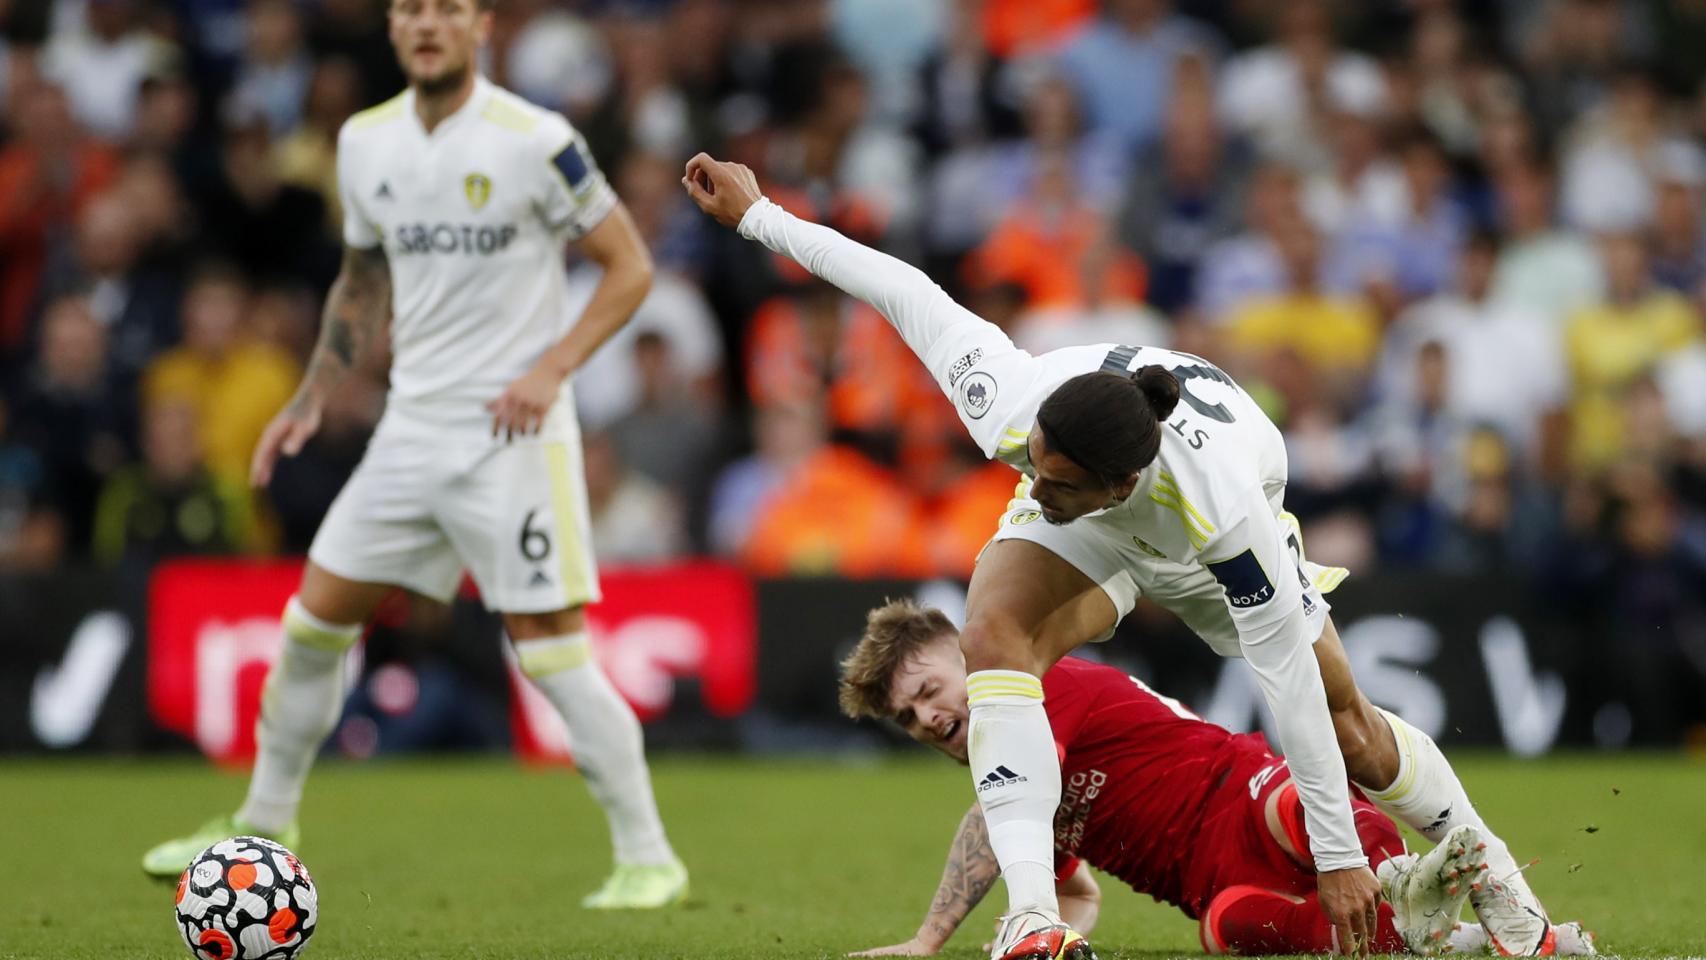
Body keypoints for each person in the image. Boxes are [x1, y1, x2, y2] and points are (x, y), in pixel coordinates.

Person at [683, 153, 1558, 957]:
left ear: (1117, 479)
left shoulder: (1223, 513)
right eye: (1034, 464)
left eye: (1055, 481)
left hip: (1201, 542)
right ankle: (1033, 925)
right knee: (993, 632)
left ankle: (1510, 898)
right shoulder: (1017, 408)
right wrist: (763, 215)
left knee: (1348, 728)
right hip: (1109, 528)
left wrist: (1337, 854)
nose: (1033, 487)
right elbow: (902, 290)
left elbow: (1284, 681)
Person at [141, 0, 688, 910]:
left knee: (552, 652)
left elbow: (630, 264)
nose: (427, 24)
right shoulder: (364, 143)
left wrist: (552, 368)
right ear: (394, 29)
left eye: (448, 9)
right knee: (313, 623)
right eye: (410, 9)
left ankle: (649, 856)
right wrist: (314, 393)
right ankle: (266, 819)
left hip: (512, 436)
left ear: (481, 26)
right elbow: (361, 280)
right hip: (410, 429)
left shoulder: (535, 138)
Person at [836, 599, 1598, 958]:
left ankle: (1400, 875)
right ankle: (1438, 931)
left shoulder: (1039, 688)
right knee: (1222, 927)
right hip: (1215, 881)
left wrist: (927, 942)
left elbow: (987, 824)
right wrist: (1059, 933)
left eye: (930, 690)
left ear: (968, 652)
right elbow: (1072, 890)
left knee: (1300, 807)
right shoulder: (1020, 805)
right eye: (907, 718)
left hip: (1241, 796)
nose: (928, 719)